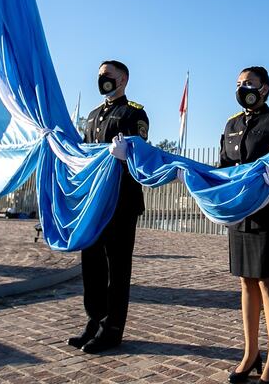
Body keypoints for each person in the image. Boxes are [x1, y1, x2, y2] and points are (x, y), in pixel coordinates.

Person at [219, 66, 269, 384]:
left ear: (264, 88)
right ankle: (250, 354)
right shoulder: (232, 124)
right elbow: (224, 167)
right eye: (239, 83)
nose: (243, 87)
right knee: (246, 282)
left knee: (267, 282)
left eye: (249, 82)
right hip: (241, 215)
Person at [67, 60, 149, 354]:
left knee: (117, 268)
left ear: (123, 80)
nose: (102, 79)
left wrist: (126, 153)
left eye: (108, 75)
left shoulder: (134, 113)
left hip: (121, 201)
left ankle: (112, 328)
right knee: (92, 265)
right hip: (95, 203)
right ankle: (94, 320)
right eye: (100, 74)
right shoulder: (92, 116)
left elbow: (140, 152)